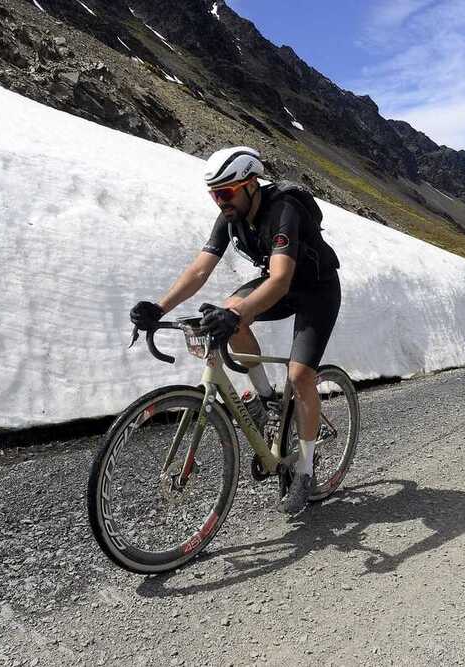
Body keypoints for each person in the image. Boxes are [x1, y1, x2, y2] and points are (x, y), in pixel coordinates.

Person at [130, 146, 341, 515]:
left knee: (301, 374)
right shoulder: (231, 216)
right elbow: (199, 271)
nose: (219, 201)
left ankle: (306, 471)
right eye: (214, 195)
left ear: (251, 185)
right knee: (227, 311)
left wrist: (240, 312)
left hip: (316, 291)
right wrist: (159, 307)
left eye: (226, 193)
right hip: (281, 285)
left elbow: (279, 279)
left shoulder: (283, 210)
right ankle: (267, 400)